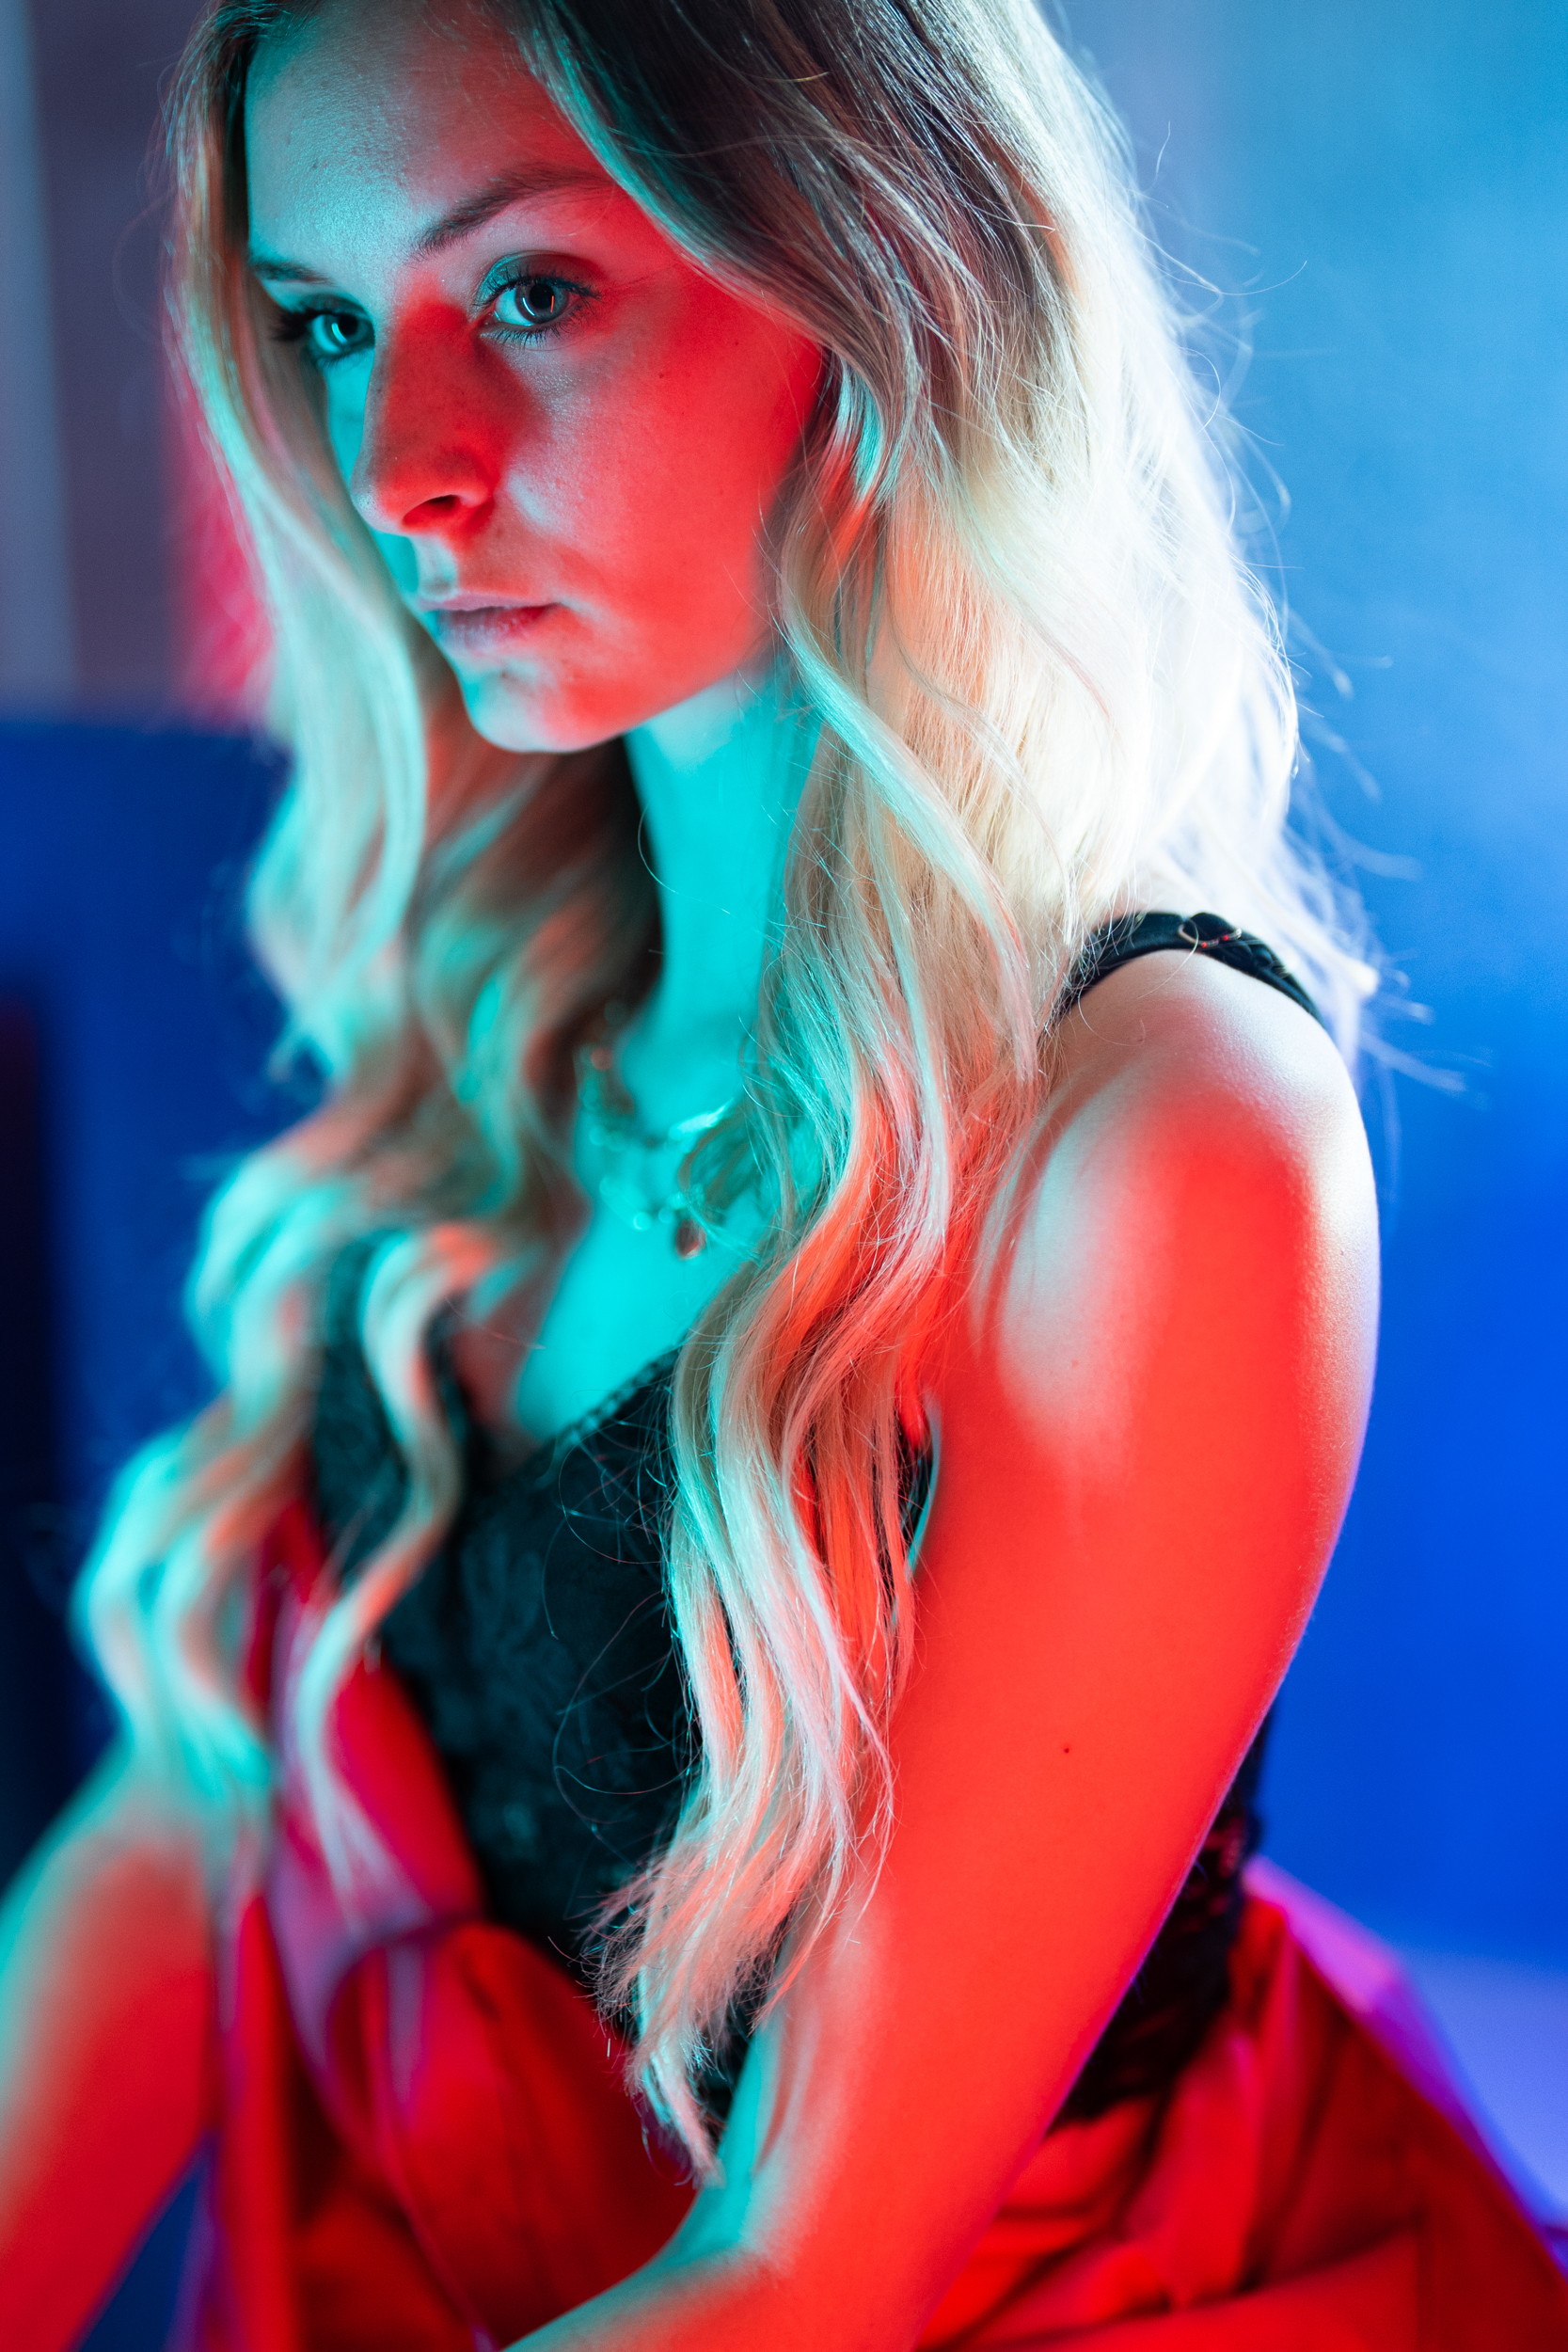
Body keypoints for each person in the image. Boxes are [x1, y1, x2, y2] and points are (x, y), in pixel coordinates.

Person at [2, 0, 1564, 2345]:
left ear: (879, 265)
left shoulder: (1162, 1134)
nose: (397, 466)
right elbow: (202, 1799)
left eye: (531, 291)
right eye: (328, 324)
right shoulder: (513, 1009)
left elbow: (803, 2272)